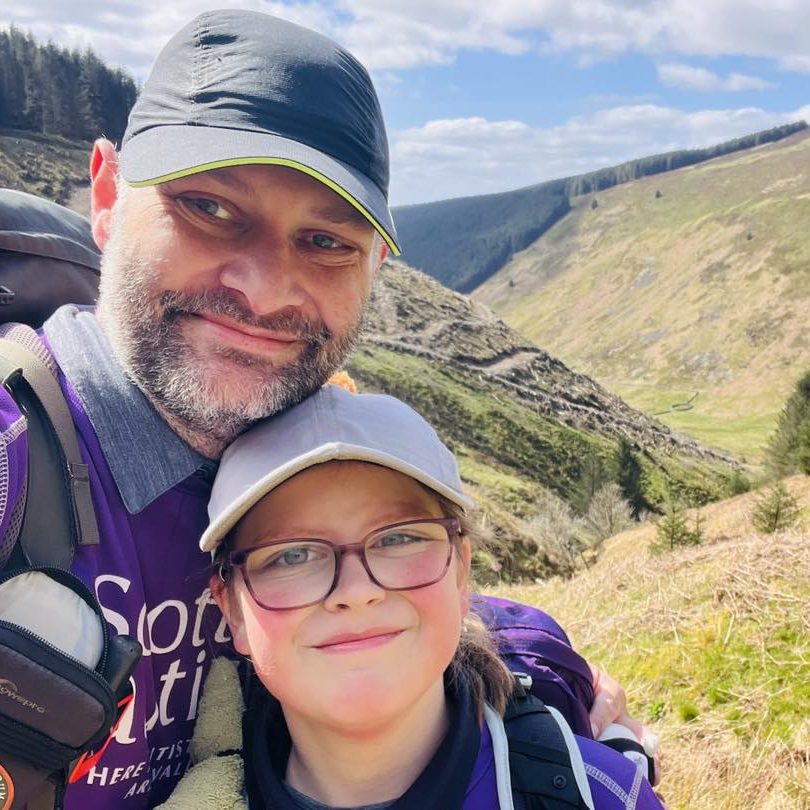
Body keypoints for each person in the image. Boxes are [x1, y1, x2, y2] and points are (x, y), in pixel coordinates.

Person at [0, 9, 651, 808]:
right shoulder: (12, 464)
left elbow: (446, 612)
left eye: (326, 242)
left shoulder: (309, 442)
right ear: (105, 194)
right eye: (208, 207)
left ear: (374, 266)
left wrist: (567, 713)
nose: (264, 288)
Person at [158, 384, 663, 809]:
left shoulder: (601, 794)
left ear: (462, 572)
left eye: (398, 538)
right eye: (291, 556)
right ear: (234, 611)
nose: (356, 593)